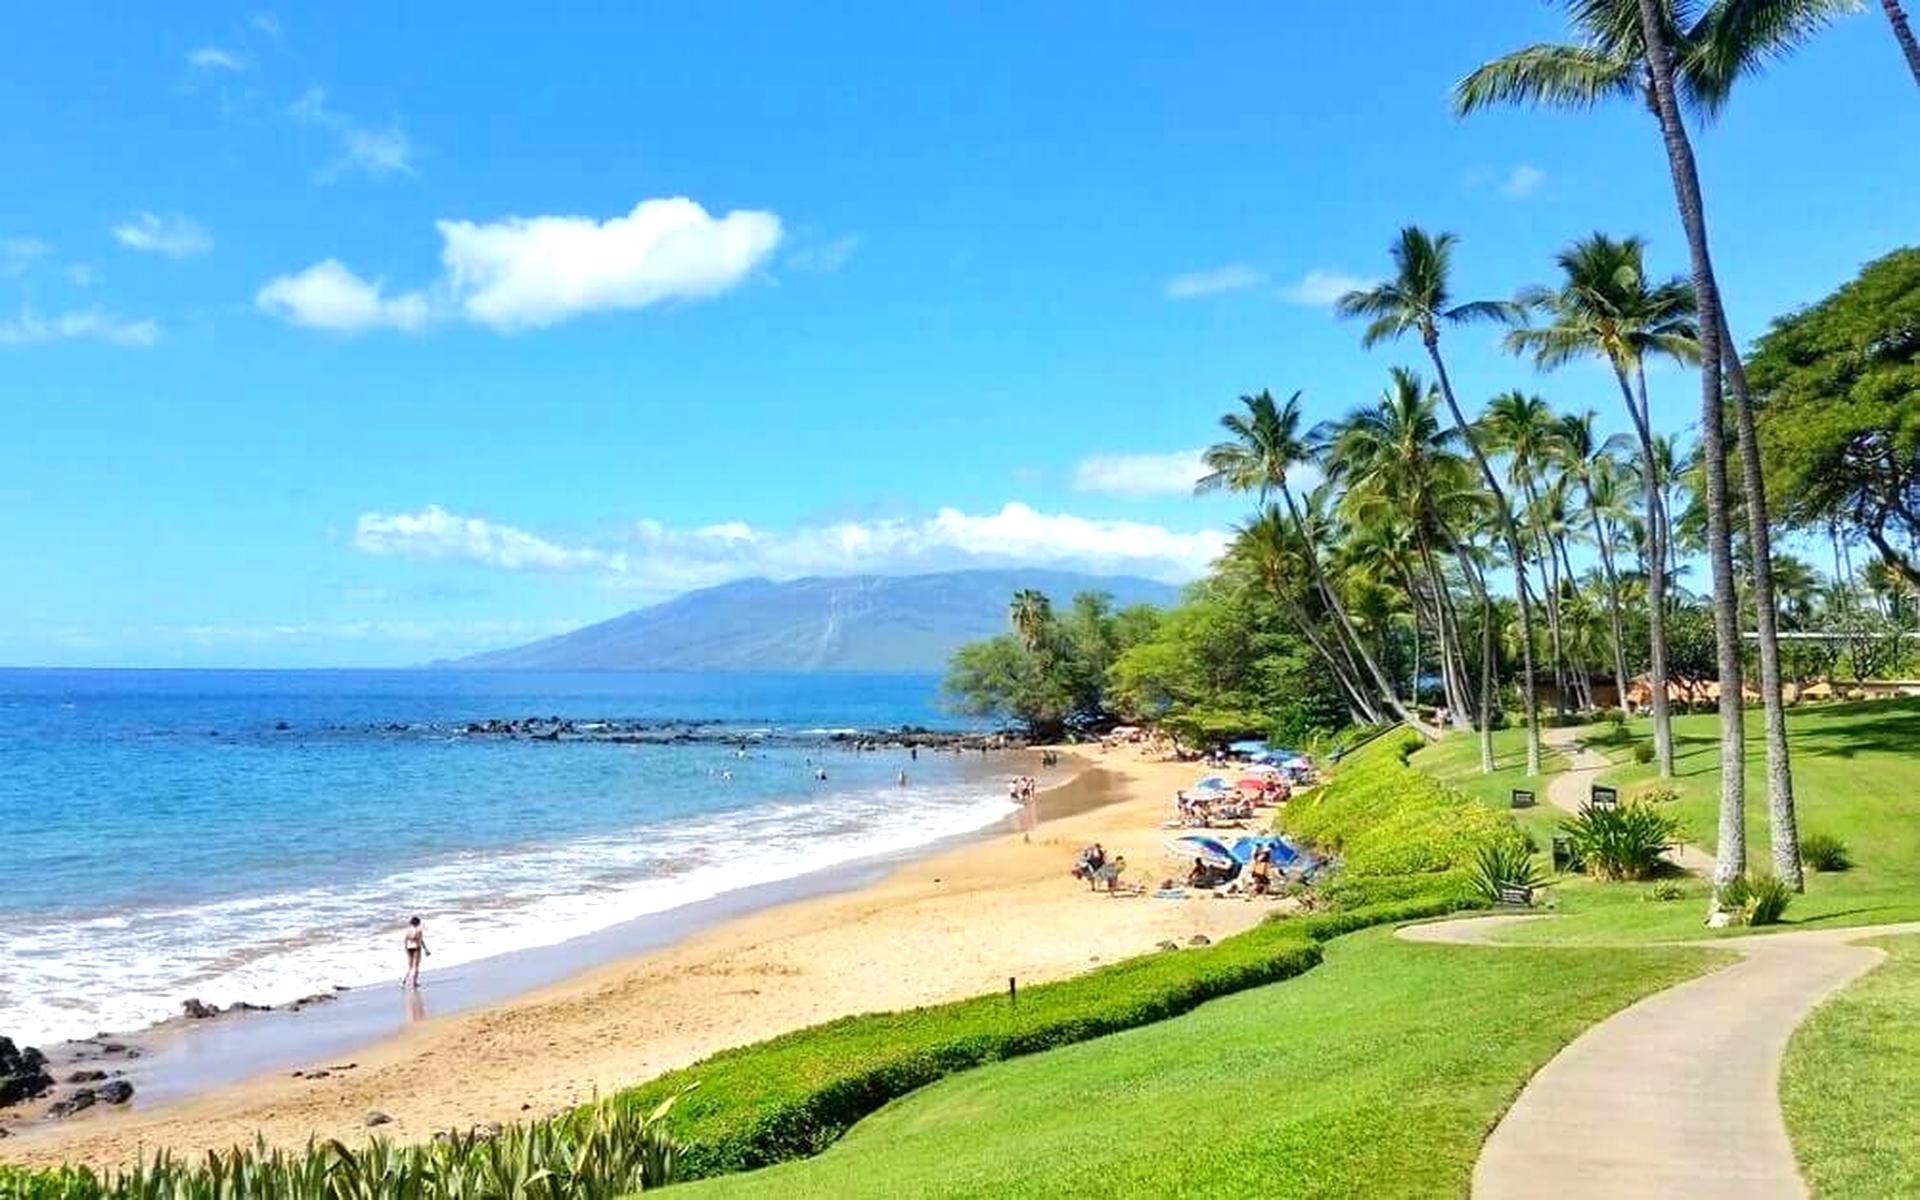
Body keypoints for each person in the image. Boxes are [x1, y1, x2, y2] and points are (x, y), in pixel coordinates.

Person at [402, 916, 428, 989]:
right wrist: (426, 949)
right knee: (416, 966)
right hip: (416, 947)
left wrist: (405, 949)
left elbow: (405, 940)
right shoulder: (418, 930)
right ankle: (414, 983)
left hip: (409, 948)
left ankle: (403, 981)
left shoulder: (408, 930)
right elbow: (421, 941)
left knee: (410, 967)